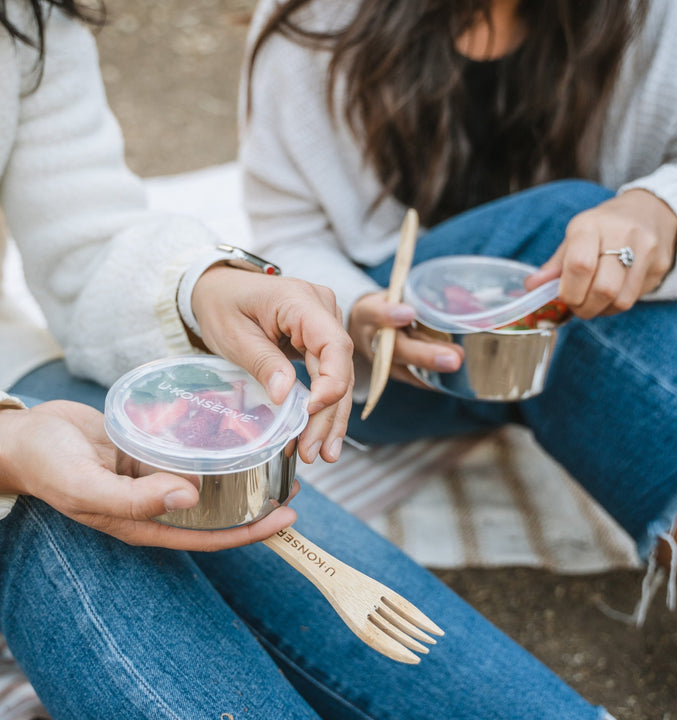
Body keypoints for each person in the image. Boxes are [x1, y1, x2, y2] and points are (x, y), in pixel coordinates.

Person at [0, 2, 617, 718]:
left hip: (20, 368)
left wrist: (203, 288)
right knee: (50, 507)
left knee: (231, 502)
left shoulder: (28, 14)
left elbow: (83, 237)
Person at [238, 0, 677, 713]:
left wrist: (663, 213)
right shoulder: (317, 20)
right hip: (392, 358)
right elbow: (284, 237)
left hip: (580, 334)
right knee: (561, 225)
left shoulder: (654, 21)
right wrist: (355, 317)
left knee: (610, 250)